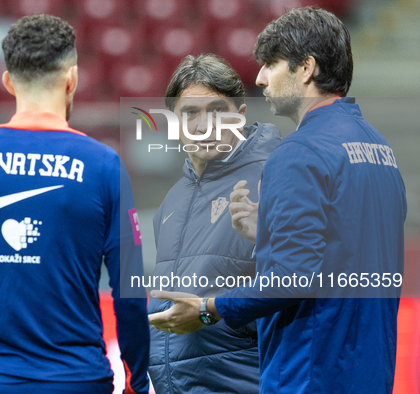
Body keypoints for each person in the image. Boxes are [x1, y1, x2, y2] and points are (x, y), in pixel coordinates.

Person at [148, 7, 406, 394]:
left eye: (270, 64)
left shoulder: (298, 152)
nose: (260, 78)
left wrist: (207, 309)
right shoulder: (378, 148)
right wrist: (268, 235)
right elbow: (342, 254)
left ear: (305, 69)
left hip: (311, 371)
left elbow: (292, 277)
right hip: (369, 370)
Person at [0, 14, 150, 394]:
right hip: (81, 381)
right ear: (72, 78)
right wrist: (136, 382)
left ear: (8, 81)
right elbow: (130, 293)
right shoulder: (104, 165)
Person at [147, 54, 281, 394]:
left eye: (218, 110)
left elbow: (300, 283)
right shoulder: (171, 201)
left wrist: (210, 313)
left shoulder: (275, 176)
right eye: (190, 113)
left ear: (240, 114)